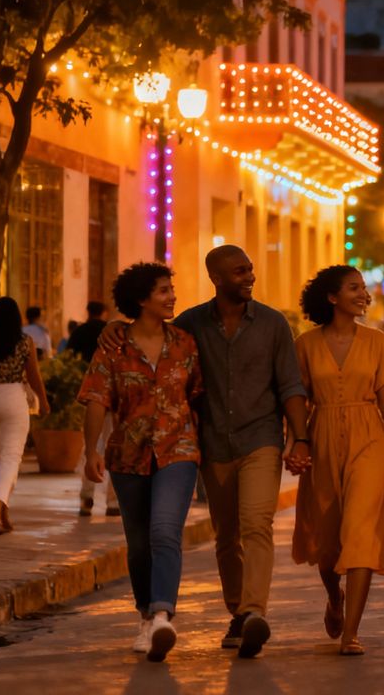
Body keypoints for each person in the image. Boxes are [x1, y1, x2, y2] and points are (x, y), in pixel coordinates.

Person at [100, 244, 309, 658]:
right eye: (238, 271)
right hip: (212, 443)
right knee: (226, 534)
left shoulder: (272, 324)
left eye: (250, 270)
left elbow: (290, 384)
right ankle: (237, 612)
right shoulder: (191, 324)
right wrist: (112, 325)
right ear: (216, 278)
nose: (249, 277)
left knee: (256, 524)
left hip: (260, 438)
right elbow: (148, 334)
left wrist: (299, 438)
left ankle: (253, 612)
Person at [78, 262, 202, 662]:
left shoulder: (185, 343)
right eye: (163, 291)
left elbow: (198, 395)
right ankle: (145, 617)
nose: (172, 297)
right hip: (128, 455)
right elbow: (97, 400)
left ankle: (163, 614)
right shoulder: (114, 347)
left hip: (178, 450)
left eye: (171, 288)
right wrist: (91, 451)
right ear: (141, 299)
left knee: (165, 531)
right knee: (137, 544)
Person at [292, 265, 384, 655]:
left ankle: (352, 632)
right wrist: (296, 442)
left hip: (369, 437)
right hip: (323, 433)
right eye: (354, 288)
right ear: (331, 297)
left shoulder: (377, 341)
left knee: (360, 529)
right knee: (327, 541)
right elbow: (296, 402)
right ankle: (334, 596)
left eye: (365, 288)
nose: (364, 294)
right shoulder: (306, 345)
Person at [0, 297, 49, 534]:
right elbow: (34, 375)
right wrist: (44, 402)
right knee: (11, 456)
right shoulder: (25, 342)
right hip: (13, 398)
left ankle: (0, 510)